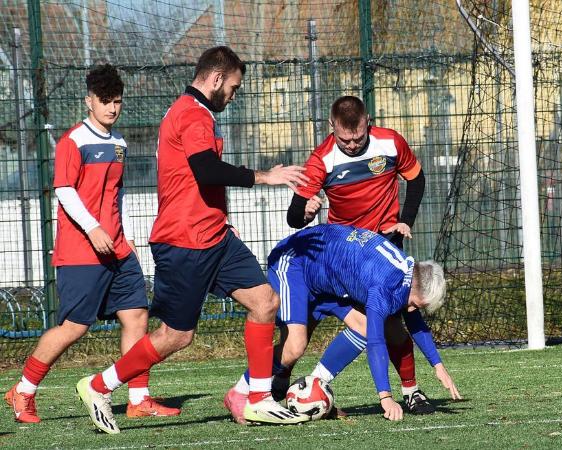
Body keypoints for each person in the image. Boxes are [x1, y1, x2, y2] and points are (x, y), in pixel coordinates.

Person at [74, 46, 310, 434]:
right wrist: (265, 176)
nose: (232, 96)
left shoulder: (190, 112)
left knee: (265, 301)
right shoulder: (192, 113)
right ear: (216, 79)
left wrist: (223, 219)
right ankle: (99, 386)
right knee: (176, 336)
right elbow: (205, 170)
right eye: (233, 88)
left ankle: (258, 399)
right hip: (185, 241)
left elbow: (196, 179)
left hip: (214, 235)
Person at [4, 64, 179, 424]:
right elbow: (65, 190)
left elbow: (118, 194)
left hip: (118, 249)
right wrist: (93, 228)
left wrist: (125, 233)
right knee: (74, 327)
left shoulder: (119, 144)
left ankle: (138, 398)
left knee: (137, 315)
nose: (112, 109)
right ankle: (23, 390)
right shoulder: (74, 141)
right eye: (105, 102)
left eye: (117, 102)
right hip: (81, 251)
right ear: (89, 102)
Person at [284, 95, 434, 414]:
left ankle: (412, 391)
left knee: (391, 323)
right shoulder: (321, 160)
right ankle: (276, 382)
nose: (352, 145)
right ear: (331, 127)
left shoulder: (390, 143)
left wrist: (405, 219)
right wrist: (306, 213)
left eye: (358, 138)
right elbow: (294, 217)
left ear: (368, 122)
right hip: (344, 256)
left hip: (384, 247)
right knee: (302, 329)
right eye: (344, 139)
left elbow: (417, 179)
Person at [224, 224, 460, 422]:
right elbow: (377, 343)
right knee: (295, 345)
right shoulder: (383, 286)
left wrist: (437, 365)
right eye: (416, 304)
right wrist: (385, 398)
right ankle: (240, 392)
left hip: (327, 277)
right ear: (414, 286)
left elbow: (412, 318)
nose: (411, 310)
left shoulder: (409, 271)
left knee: (363, 326)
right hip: (295, 262)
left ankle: (314, 387)